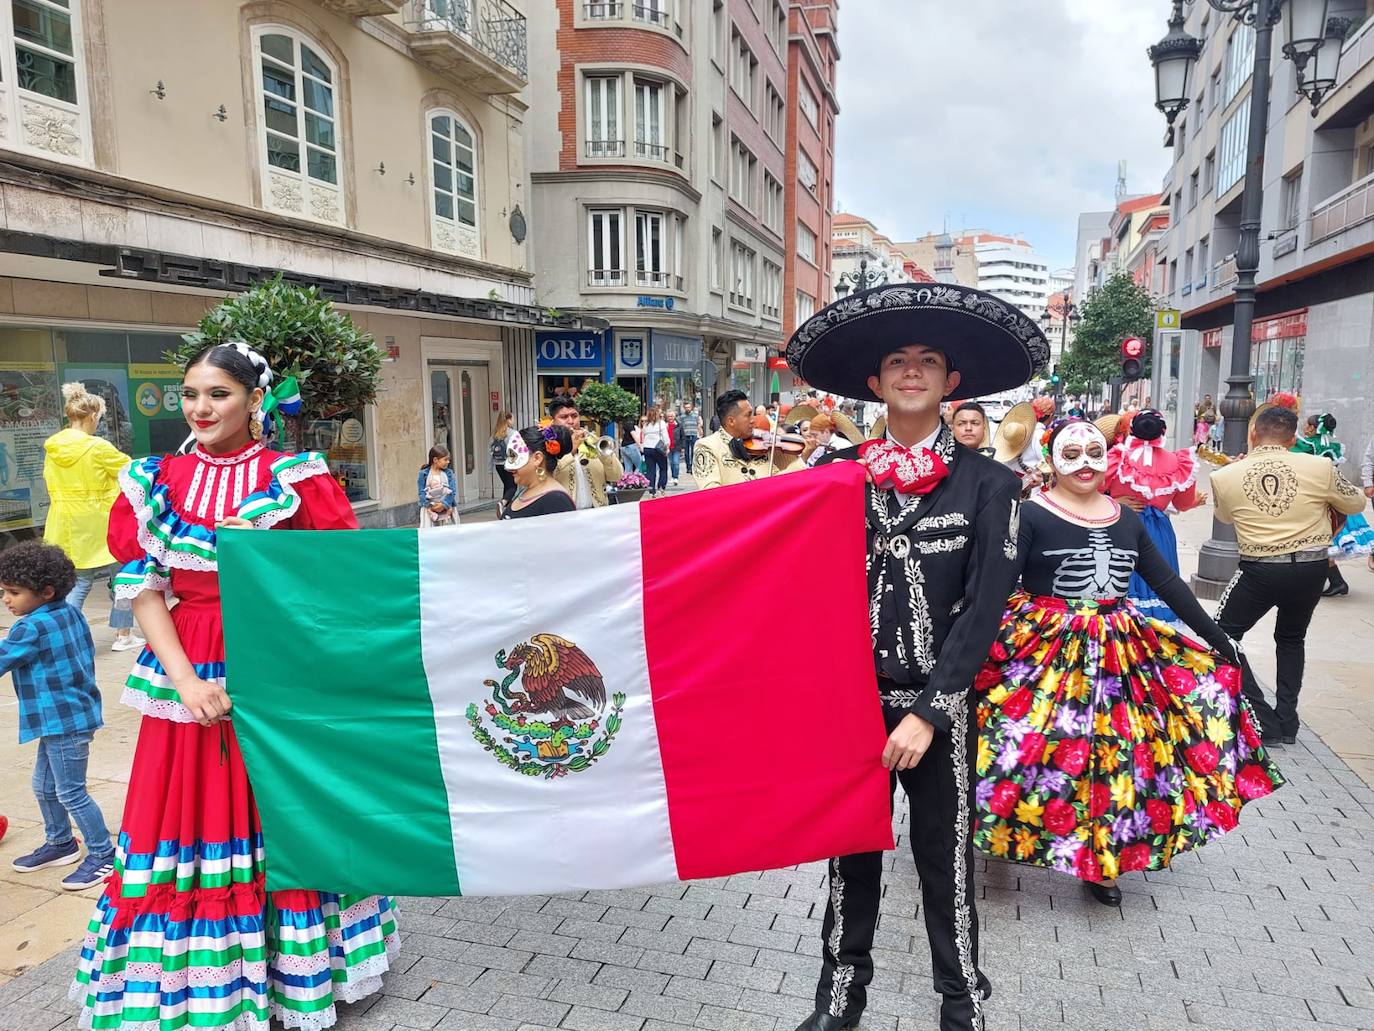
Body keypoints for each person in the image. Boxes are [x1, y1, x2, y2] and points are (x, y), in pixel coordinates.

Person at [71, 342, 398, 1031]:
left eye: (218, 393)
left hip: (276, 664)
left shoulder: (297, 476)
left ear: (255, 400)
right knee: (185, 813)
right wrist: (186, 680)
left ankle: (300, 973)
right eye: (191, 393)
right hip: (186, 664)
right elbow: (144, 591)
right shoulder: (153, 477)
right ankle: (200, 985)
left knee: (280, 810)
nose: (200, 406)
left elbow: (339, 579)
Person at [786, 282, 1048, 1031]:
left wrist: (932, 712)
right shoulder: (831, 477)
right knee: (848, 862)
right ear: (874, 382)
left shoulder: (994, 483)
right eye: (896, 360)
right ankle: (840, 998)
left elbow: (984, 609)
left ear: (950, 380)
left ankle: (960, 1000)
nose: (910, 370)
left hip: (941, 710)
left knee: (947, 861)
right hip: (852, 706)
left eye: (927, 359)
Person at [973, 420, 1279, 909]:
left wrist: (1219, 638)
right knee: (1024, 742)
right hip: (1046, 646)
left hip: (1120, 652)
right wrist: (973, 643)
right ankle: (1001, 830)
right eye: (1072, 453)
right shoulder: (1030, 514)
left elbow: (1168, 584)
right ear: (1052, 459)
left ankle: (1104, 859)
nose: (1086, 464)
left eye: (1096, 452)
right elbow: (996, 582)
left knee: (1121, 755)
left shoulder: (1125, 518)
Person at [1210, 405, 1365, 745]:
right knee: (1292, 639)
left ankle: (1263, 718)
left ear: (1253, 434)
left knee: (1220, 634)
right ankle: (1287, 721)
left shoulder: (1225, 475)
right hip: (1311, 568)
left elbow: (1223, 517)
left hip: (1260, 569)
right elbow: (1355, 504)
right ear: (1293, 438)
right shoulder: (1320, 466)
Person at [2, 540, 116, 891]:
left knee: (70, 791)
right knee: (45, 785)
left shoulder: (29, 628)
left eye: (14, 592)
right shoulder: (68, 610)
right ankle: (61, 843)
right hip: (69, 715)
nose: (6, 600)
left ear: (46, 591)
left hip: (64, 720)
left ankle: (103, 855)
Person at [43, 382, 142, 652]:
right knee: (124, 577)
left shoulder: (53, 447)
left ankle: (62, 638)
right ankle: (123, 635)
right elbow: (131, 472)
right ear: (93, 416)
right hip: (103, 523)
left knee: (79, 582)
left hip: (65, 523)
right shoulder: (98, 447)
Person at [1103, 410, 1205, 625]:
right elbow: (1182, 504)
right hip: (1157, 531)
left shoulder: (1117, 457)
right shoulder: (1179, 462)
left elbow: (1093, 489)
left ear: (1131, 430)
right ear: (1163, 432)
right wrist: (1196, 501)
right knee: (1159, 581)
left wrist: (1114, 501)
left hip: (1119, 525)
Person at [1291, 412, 1354, 596]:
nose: (1304, 427)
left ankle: (1333, 582)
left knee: (1316, 544)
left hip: (1316, 500)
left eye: (1306, 425)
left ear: (1312, 427)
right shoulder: (1332, 445)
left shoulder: (1308, 445)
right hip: (1332, 499)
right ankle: (1336, 582)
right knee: (1319, 544)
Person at [693, 390, 805, 489]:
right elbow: (710, 492)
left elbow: (784, 480)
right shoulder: (706, 446)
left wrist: (803, 456)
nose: (753, 420)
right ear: (731, 421)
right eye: (748, 415)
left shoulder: (762, 443)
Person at [550, 398, 622, 509]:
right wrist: (572, 449)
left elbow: (616, 476)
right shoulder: (547, 446)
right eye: (564, 417)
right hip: (565, 516)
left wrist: (605, 455)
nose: (571, 421)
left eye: (574, 416)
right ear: (553, 421)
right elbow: (549, 476)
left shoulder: (592, 441)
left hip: (597, 512)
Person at [501, 426, 576, 519]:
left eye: (514, 456)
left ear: (537, 458)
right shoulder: (524, 492)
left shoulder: (556, 501)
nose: (508, 468)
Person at [418, 443, 457, 527]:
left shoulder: (448, 473)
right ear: (435, 460)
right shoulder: (423, 474)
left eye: (448, 459)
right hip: (430, 510)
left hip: (447, 508)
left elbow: (452, 491)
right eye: (445, 459)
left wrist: (444, 504)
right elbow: (421, 492)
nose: (448, 462)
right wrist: (430, 506)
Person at [636, 406, 671, 497]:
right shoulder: (661, 424)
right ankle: (661, 488)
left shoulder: (645, 425)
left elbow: (642, 437)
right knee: (663, 468)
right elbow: (665, 437)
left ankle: (651, 491)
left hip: (647, 448)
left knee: (650, 470)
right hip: (658, 449)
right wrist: (667, 447)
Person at [491, 410, 518, 510]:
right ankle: (503, 503)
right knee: (513, 487)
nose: (513, 421)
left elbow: (489, 451)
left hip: (498, 464)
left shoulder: (495, 435)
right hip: (508, 464)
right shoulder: (513, 433)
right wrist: (514, 464)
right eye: (512, 418)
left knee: (507, 485)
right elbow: (514, 450)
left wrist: (490, 468)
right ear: (508, 420)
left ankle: (505, 508)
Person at [679, 400, 703, 472]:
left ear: (691, 408)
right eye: (686, 407)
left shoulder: (695, 415)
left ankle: (693, 467)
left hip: (694, 435)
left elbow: (699, 424)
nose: (687, 409)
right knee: (686, 453)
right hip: (685, 436)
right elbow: (681, 426)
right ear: (684, 408)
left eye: (689, 407)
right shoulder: (682, 416)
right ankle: (688, 467)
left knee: (693, 452)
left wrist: (700, 433)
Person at [666, 408, 682, 487]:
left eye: (671, 416)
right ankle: (673, 476)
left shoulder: (678, 425)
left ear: (674, 417)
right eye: (669, 416)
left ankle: (676, 477)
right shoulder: (665, 426)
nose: (670, 418)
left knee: (676, 462)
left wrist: (683, 447)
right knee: (671, 463)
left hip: (676, 447)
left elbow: (683, 436)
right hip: (668, 447)